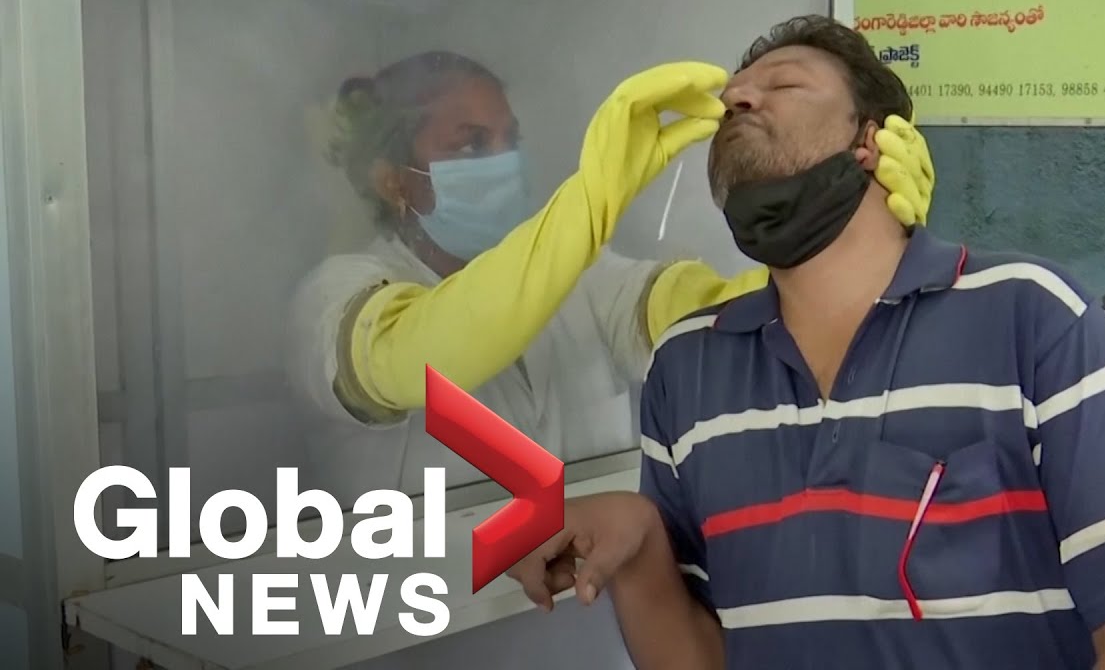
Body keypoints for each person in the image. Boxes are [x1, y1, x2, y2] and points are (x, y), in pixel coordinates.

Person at [506, 15, 1105, 670]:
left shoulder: (1029, 313)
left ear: (871, 141)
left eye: (782, 84)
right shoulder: (687, 366)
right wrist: (639, 548)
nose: (738, 101)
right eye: (731, 99)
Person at [285, 50, 937, 668]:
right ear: (393, 181)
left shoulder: (582, 276)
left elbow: (713, 313)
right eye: (471, 144)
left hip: (586, 636)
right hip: (417, 642)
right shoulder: (334, 298)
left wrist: (868, 241)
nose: (503, 161)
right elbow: (415, 358)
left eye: (510, 140)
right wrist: (589, 201)